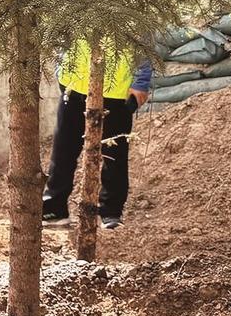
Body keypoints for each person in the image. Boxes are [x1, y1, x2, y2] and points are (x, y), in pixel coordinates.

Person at [41, 39, 152, 230]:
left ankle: (111, 213)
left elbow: (145, 39)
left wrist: (140, 82)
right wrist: (61, 72)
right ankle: (54, 209)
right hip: (74, 86)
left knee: (114, 155)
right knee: (63, 149)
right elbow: (62, 34)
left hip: (116, 93)